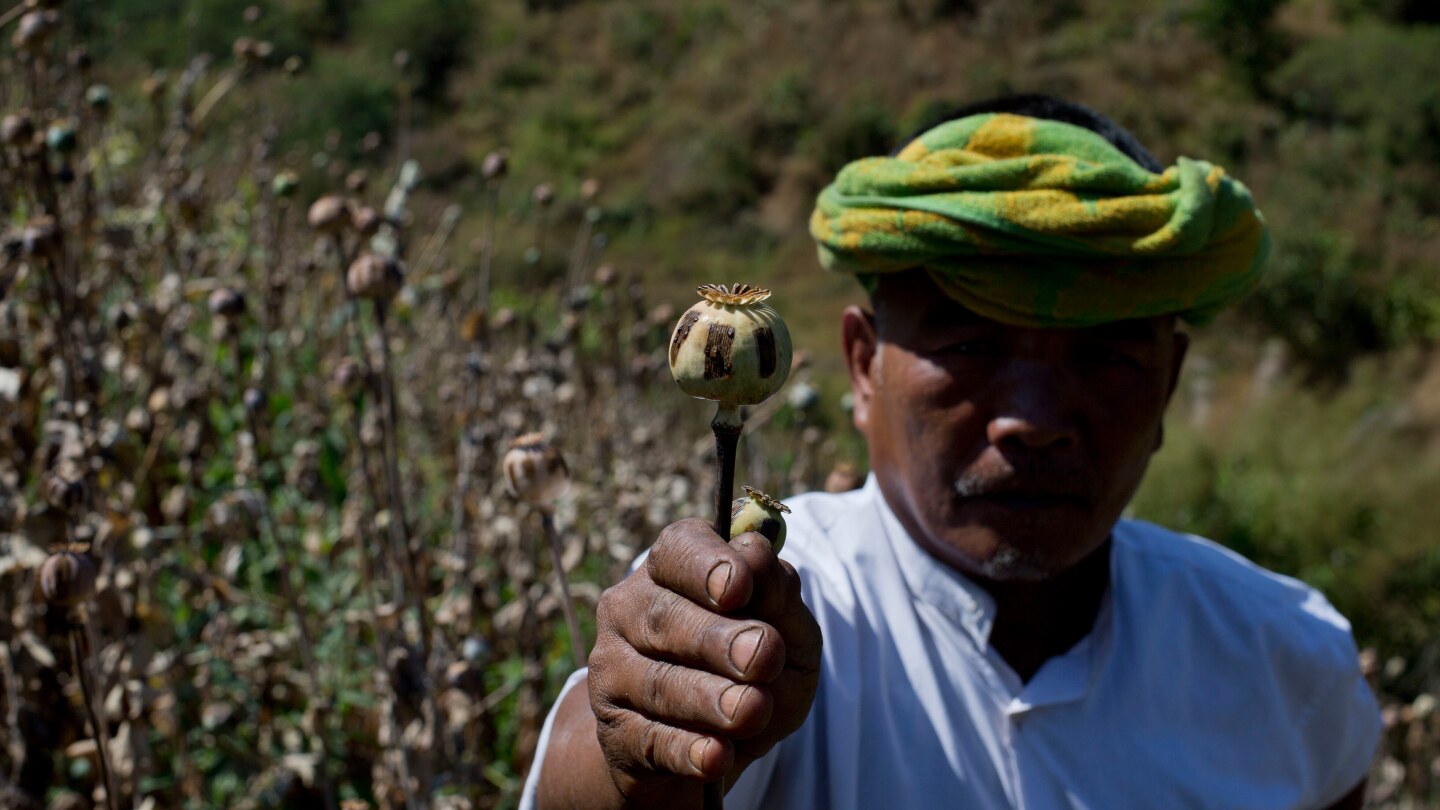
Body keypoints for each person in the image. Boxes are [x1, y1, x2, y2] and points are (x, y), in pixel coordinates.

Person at [520, 95, 1382, 809]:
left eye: (1106, 355)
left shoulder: (1285, 657)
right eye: (972, 347)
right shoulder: (763, 611)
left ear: (1168, 386)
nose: (1034, 421)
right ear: (863, 366)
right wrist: (634, 750)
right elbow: (599, 764)